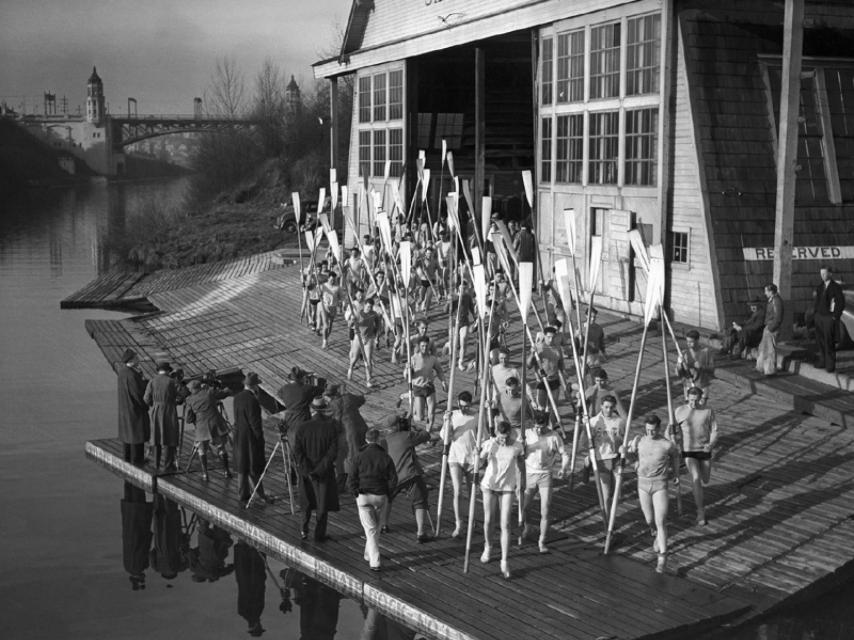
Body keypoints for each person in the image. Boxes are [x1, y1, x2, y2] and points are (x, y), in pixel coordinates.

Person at [626, 414, 681, 573]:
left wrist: (676, 474)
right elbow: (629, 456)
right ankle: (655, 533)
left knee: (661, 520)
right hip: (642, 484)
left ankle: (662, 557)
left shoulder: (666, 444)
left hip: (660, 484)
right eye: (648, 430)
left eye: (653, 430)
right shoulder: (639, 441)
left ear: (658, 428)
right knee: (649, 520)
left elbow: (676, 456)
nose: (650, 433)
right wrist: (627, 454)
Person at [479, 420, 524, 580]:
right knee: (489, 520)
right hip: (490, 486)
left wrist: (521, 484)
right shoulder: (490, 443)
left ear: (510, 433)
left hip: (507, 487)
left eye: (506, 437)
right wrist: (485, 452)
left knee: (505, 524)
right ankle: (488, 546)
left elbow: (520, 466)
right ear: (497, 434)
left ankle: (504, 560)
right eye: (501, 437)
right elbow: (478, 463)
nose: (503, 440)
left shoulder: (517, 446)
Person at [349, 428, 398, 571]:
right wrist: (388, 492)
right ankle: (369, 556)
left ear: (366, 439)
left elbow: (352, 477)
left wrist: (355, 492)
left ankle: (374, 561)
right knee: (375, 528)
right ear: (378, 440)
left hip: (363, 496)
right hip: (380, 496)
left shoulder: (358, 456)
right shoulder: (385, 457)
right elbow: (393, 479)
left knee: (371, 529)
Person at [380, 412, 433, 543]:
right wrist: (415, 428)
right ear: (397, 425)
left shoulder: (383, 441)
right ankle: (421, 532)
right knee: (420, 501)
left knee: (387, 499)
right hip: (409, 475)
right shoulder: (406, 436)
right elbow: (426, 435)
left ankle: (383, 525)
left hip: (391, 477)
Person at [293, 396, 340, 541]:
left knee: (306, 502)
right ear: (324, 409)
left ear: (311, 409)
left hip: (306, 472)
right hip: (323, 472)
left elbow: (298, 452)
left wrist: (307, 470)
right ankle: (319, 535)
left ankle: (303, 530)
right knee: (322, 504)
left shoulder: (302, 427)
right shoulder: (331, 427)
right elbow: (332, 453)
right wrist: (319, 470)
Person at [521, 412, 569, 553]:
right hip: (529, 474)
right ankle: (528, 526)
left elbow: (564, 454)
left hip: (545, 474)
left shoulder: (554, 436)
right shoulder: (527, 434)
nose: (539, 430)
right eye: (536, 427)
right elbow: (517, 451)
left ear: (547, 424)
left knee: (545, 510)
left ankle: (542, 540)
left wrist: (563, 468)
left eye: (542, 427)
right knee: (525, 507)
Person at [674, 386, 718, 525]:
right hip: (688, 450)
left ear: (700, 399)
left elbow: (715, 431)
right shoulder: (679, 411)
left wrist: (711, 444)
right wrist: (672, 439)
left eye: (696, 400)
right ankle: (700, 511)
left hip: (704, 449)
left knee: (705, 479)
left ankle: (700, 508)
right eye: (691, 400)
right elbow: (670, 430)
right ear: (687, 397)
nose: (693, 403)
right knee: (696, 477)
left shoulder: (707, 411)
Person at [439, 391, 478, 538]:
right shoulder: (453, 415)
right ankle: (459, 523)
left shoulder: (476, 416)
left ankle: (472, 519)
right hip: (455, 457)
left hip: (471, 458)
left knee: (472, 491)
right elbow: (445, 438)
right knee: (458, 492)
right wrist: (446, 422)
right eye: (461, 406)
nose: (464, 409)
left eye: (466, 407)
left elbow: (484, 436)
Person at [233, 372, 274, 506]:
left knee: (242, 465)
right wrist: (260, 438)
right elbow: (255, 423)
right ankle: (259, 494)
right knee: (254, 465)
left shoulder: (237, 397)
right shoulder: (253, 401)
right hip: (250, 437)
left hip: (239, 434)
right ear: (255, 386)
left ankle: (242, 493)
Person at [184, 378, 232, 480]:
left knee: (202, 450)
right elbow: (224, 393)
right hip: (215, 423)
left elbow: (188, 419)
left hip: (201, 426)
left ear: (193, 389)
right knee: (221, 447)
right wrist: (226, 389)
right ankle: (226, 471)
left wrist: (195, 418)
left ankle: (205, 474)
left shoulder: (189, 400)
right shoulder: (209, 393)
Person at [583, 395, 625, 508]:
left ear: (614, 407)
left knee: (617, 495)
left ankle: (612, 518)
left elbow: (623, 440)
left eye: (611, 407)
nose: (608, 410)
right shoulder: (593, 422)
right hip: (601, 459)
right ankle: (607, 522)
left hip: (616, 458)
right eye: (606, 407)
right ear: (601, 406)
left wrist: (619, 443)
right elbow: (584, 442)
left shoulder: (619, 421)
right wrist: (585, 427)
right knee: (605, 496)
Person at [325, 382, 369, 492]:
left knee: (349, 457)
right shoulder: (349, 397)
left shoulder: (333, 404)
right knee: (361, 452)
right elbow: (362, 399)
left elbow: (335, 419)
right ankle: (362, 478)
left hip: (348, 432)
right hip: (361, 427)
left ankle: (351, 484)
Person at [143, 361, 183, 472]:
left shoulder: (152, 381)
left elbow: (146, 399)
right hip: (169, 411)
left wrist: (154, 405)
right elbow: (180, 397)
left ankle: (156, 464)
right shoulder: (172, 382)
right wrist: (175, 401)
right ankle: (168, 465)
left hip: (156, 411)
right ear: (168, 370)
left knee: (156, 437)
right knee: (170, 437)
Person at [116, 348, 150, 466]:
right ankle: (138, 461)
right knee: (137, 436)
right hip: (134, 410)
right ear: (131, 360)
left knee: (128, 436)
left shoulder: (122, 372)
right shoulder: (132, 375)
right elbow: (138, 394)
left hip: (125, 410)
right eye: (136, 357)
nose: (138, 359)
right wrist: (145, 405)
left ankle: (127, 459)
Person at [407, 335, 446, 432]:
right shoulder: (413, 359)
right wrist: (408, 369)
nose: (424, 348)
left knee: (431, 413)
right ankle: (411, 411)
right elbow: (406, 376)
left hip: (429, 387)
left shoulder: (432, 359)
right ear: (419, 347)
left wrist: (443, 382)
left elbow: (439, 371)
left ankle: (428, 431)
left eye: (426, 346)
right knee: (420, 418)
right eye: (422, 346)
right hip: (418, 388)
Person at [813, 265, 846, 373]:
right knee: (820, 340)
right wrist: (816, 314)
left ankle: (830, 365)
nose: (822, 276)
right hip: (819, 317)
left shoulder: (835, 287)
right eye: (821, 273)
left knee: (829, 341)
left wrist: (834, 316)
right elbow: (816, 302)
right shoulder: (819, 287)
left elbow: (840, 303)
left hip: (829, 317)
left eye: (824, 273)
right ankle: (822, 361)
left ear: (830, 274)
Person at [278, 366, 325, 440]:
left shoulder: (284, 388)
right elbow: (321, 390)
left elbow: (280, 394)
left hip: (290, 421)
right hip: (303, 421)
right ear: (303, 378)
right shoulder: (307, 388)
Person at [347, 296, 382, 387]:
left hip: (369, 338)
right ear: (364, 305)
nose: (369, 308)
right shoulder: (358, 314)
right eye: (367, 307)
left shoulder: (374, 314)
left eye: (370, 307)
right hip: (358, 338)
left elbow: (378, 324)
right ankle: (351, 368)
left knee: (368, 360)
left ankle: (369, 380)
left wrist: (376, 334)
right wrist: (352, 320)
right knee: (355, 358)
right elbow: (350, 325)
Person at [528, 325, 564, 412]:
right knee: (541, 408)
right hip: (542, 381)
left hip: (555, 381)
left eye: (553, 337)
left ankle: (551, 425)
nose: (550, 340)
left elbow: (561, 366)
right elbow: (528, 365)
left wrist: (564, 381)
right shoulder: (538, 348)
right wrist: (532, 354)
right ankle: (541, 424)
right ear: (544, 336)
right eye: (548, 337)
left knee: (552, 408)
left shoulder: (558, 349)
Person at [675, 329, 715, 404]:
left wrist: (702, 367)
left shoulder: (706, 352)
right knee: (689, 411)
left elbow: (712, 369)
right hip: (689, 386)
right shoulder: (684, 353)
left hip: (702, 386)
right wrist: (679, 364)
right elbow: (678, 373)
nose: (688, 344)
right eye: (687, 341)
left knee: (701, 411)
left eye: (691, 342)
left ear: (697, 340)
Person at [756, 284, 784, 376]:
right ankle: (761, 367)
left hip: (772, 328)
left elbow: (778, 317)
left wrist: (771, 328)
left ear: (771, 291)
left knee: (770, 350)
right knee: (763, 348)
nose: (765, 293)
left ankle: (770, 370)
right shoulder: (772, 300)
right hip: (768, 327)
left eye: (766, 291)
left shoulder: (776, 301)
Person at [318, 271, 342, 350]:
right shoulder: (324, 286)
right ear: (328, 278)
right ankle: (324, 342)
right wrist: (319, 293)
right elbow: (319, 294)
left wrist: (341, 304)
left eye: (334, 280)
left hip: (333, 307)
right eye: (331, 279)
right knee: (326, 325)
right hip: (325, 306)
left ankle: (326, 338)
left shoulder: (337, 287)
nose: (332, 281)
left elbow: (340, 298)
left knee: (330, 325)